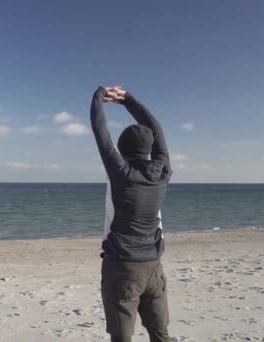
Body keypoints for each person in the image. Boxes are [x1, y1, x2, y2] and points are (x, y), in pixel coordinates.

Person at [90, 86, 172, 342]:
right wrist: (129, 101)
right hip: (153, 266)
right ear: (149, 149)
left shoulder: (120, 174)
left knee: (121, 337)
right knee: (160, 333)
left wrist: (99, 96)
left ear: (122, 149)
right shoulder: (162, 172)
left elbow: (100, 132)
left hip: (122, 268)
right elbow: (157, 132)